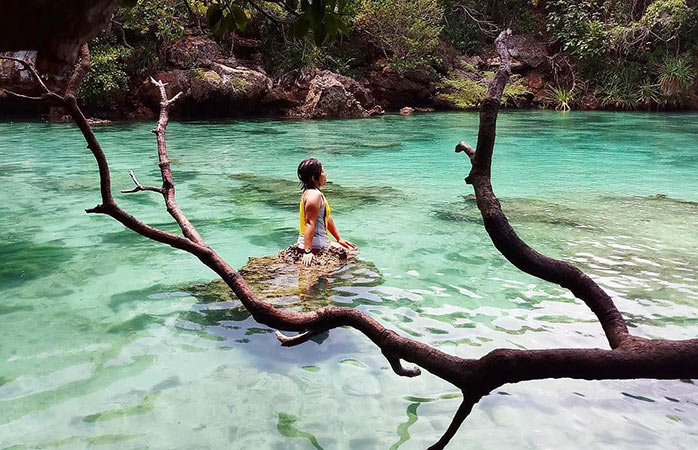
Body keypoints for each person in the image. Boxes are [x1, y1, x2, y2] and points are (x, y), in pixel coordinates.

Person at [296, 158, 357, 267]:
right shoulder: (315, 196)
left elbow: (326, 217)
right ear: (314, 177)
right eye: (323, 171)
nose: (325, 174)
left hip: (315, 243)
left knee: (350, 248)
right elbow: (310, 223)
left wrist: (339, 238)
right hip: (316, 246)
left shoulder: (309, 192)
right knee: (353, 253)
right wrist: (308, 252)